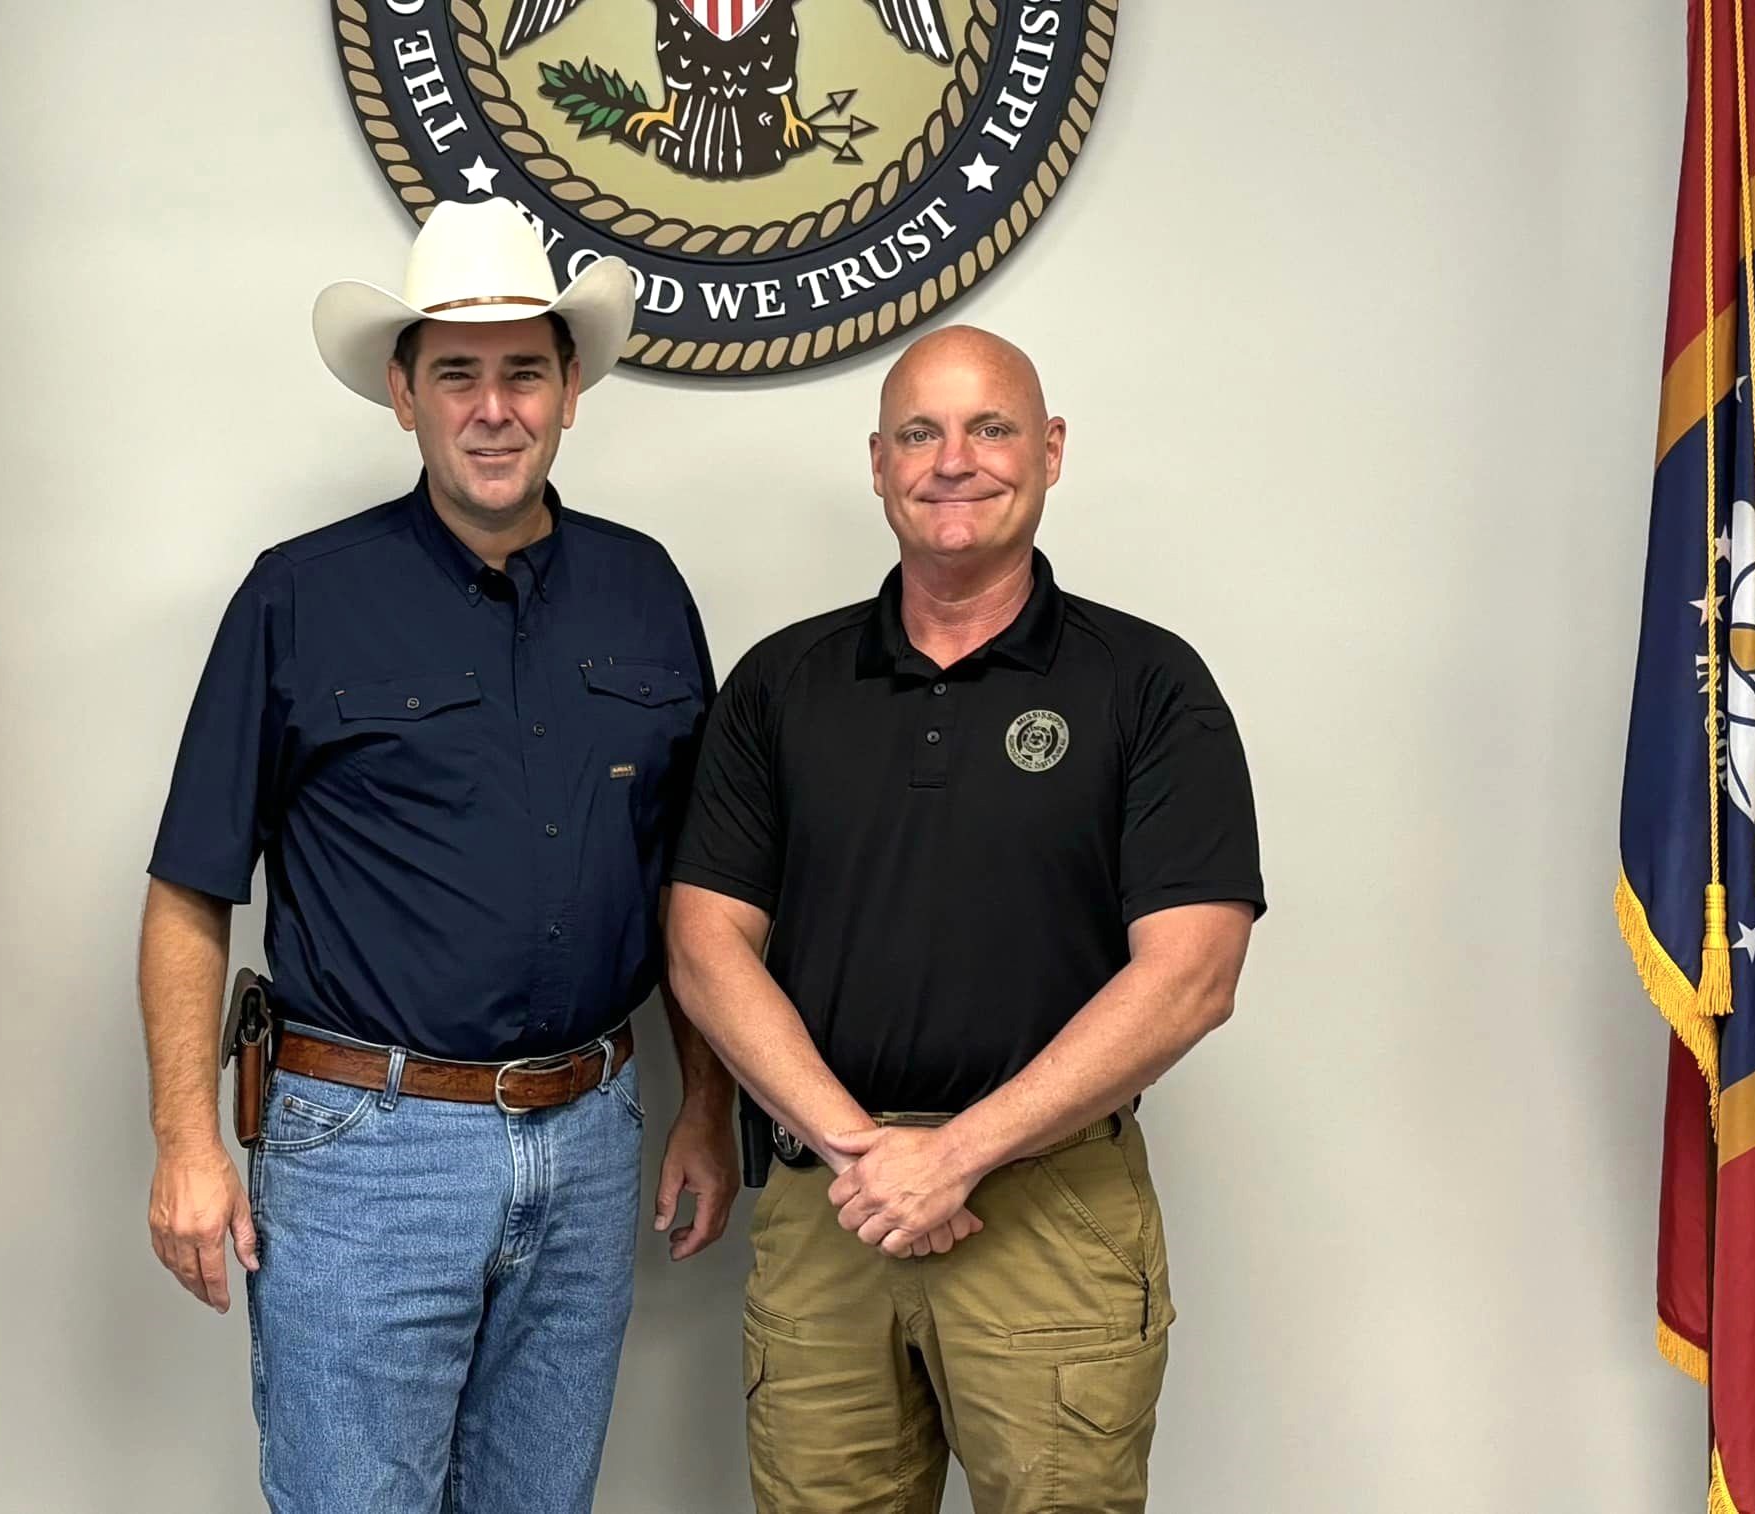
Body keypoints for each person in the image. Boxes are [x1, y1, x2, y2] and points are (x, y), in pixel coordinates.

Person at [138, 197, 737, 1514]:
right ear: (403, 395)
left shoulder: (646, 591)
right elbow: (190, 887)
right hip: (369, 1149)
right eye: (457, 373)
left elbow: (691, 889)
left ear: (570, 389)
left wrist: (707, 1104)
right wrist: (186, 1138)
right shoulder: (299, 595)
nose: (493, 408)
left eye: (524, 371)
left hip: (591, 1138)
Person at [666, 325, 1264, 1513]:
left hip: (1047, 1212)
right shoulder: (780, 683)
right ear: (876, 463)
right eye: (919, 433)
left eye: (989, 428)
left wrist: (955, 1153)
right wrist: (861, 1150)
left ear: (1049, 450)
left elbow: (1192, 971)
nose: (953, 460)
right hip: (829, 1204)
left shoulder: (1148, 684)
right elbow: (702, 943)